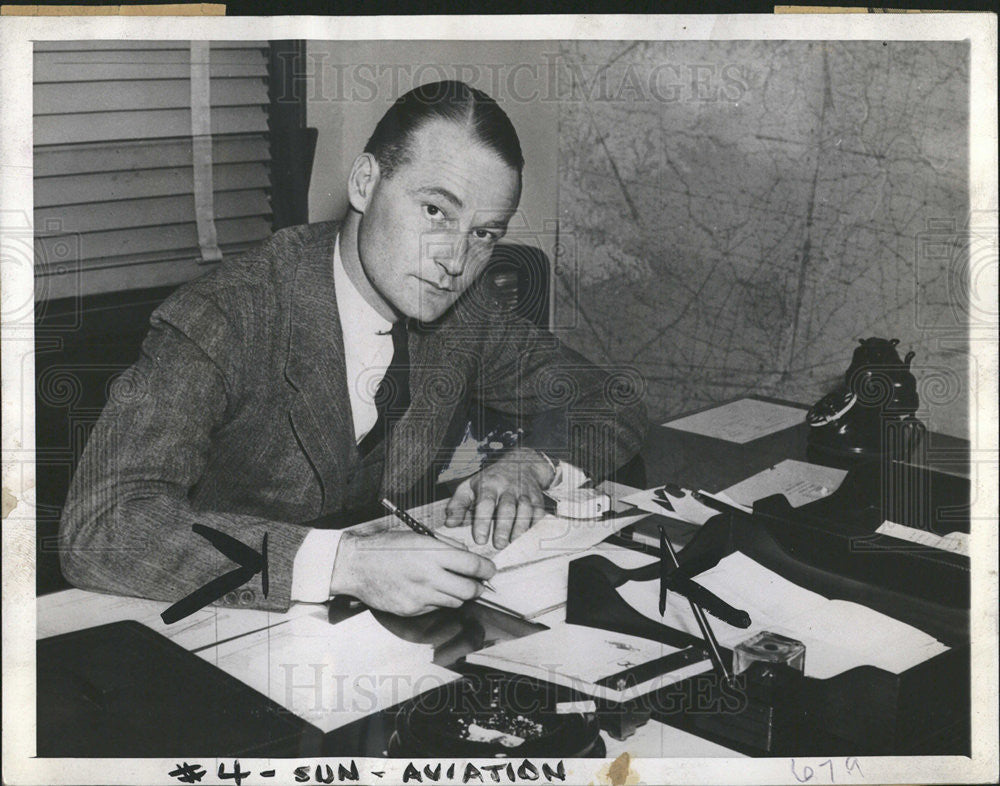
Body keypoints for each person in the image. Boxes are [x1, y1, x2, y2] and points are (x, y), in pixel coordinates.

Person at [59, 81, 647, 617]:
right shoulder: (227, 315)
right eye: (435, 211)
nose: (455, 260)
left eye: (483, 234)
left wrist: (532, 463)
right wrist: (345, 565)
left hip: (380, 642)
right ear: (365, 183)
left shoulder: (464, 314)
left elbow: (611, 397)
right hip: (214, 630)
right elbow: (103, 528)